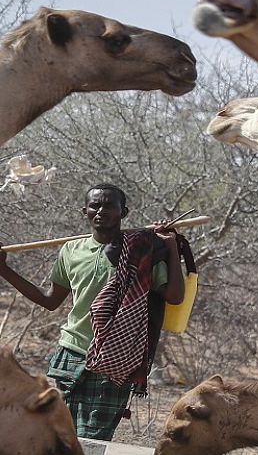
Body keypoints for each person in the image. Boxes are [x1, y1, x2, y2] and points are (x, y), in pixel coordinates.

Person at [0, 184, 184, 440]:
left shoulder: (141, 251)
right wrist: (4, 270)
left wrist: (171, 247)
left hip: (115, 358)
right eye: (95, 205)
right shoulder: (71, 251)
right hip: (71, 353)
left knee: (92, 441)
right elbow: (50, 300)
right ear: (84, 211)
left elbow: (175, 296)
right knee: (62, 438)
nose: (101, 210)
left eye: (109, 205)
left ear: (123, 212)